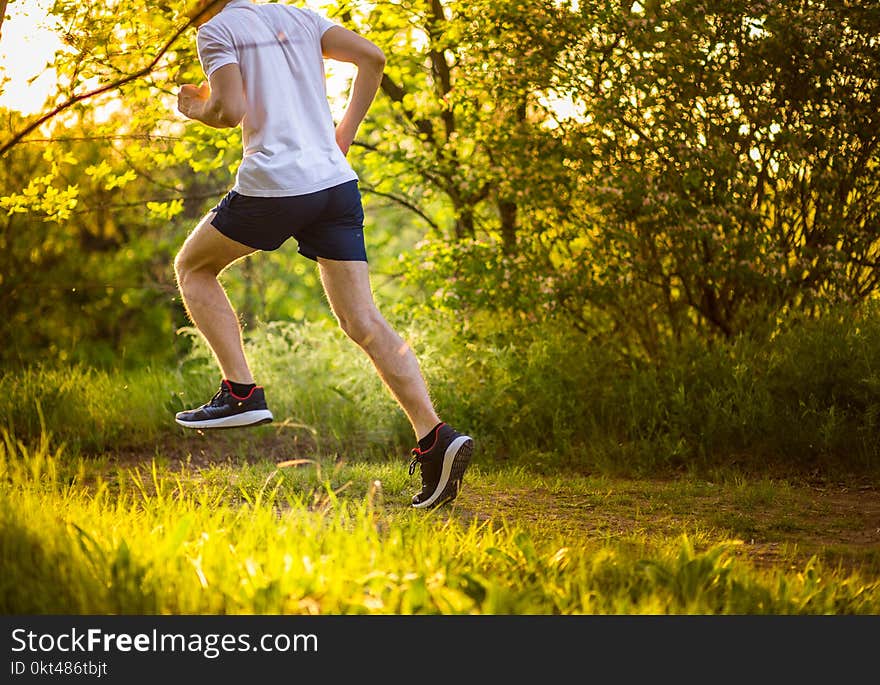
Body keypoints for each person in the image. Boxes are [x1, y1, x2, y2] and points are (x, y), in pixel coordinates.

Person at [172, 0, 473, 509]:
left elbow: (228, 111)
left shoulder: (217, 30)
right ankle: (435, 436)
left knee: (192, 268)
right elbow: (372, 58)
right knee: (364, 322)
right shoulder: (302, 17)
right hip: (335, 184)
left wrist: (193, 107)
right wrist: (344, 136)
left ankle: (241, 392)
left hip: (275, 185)